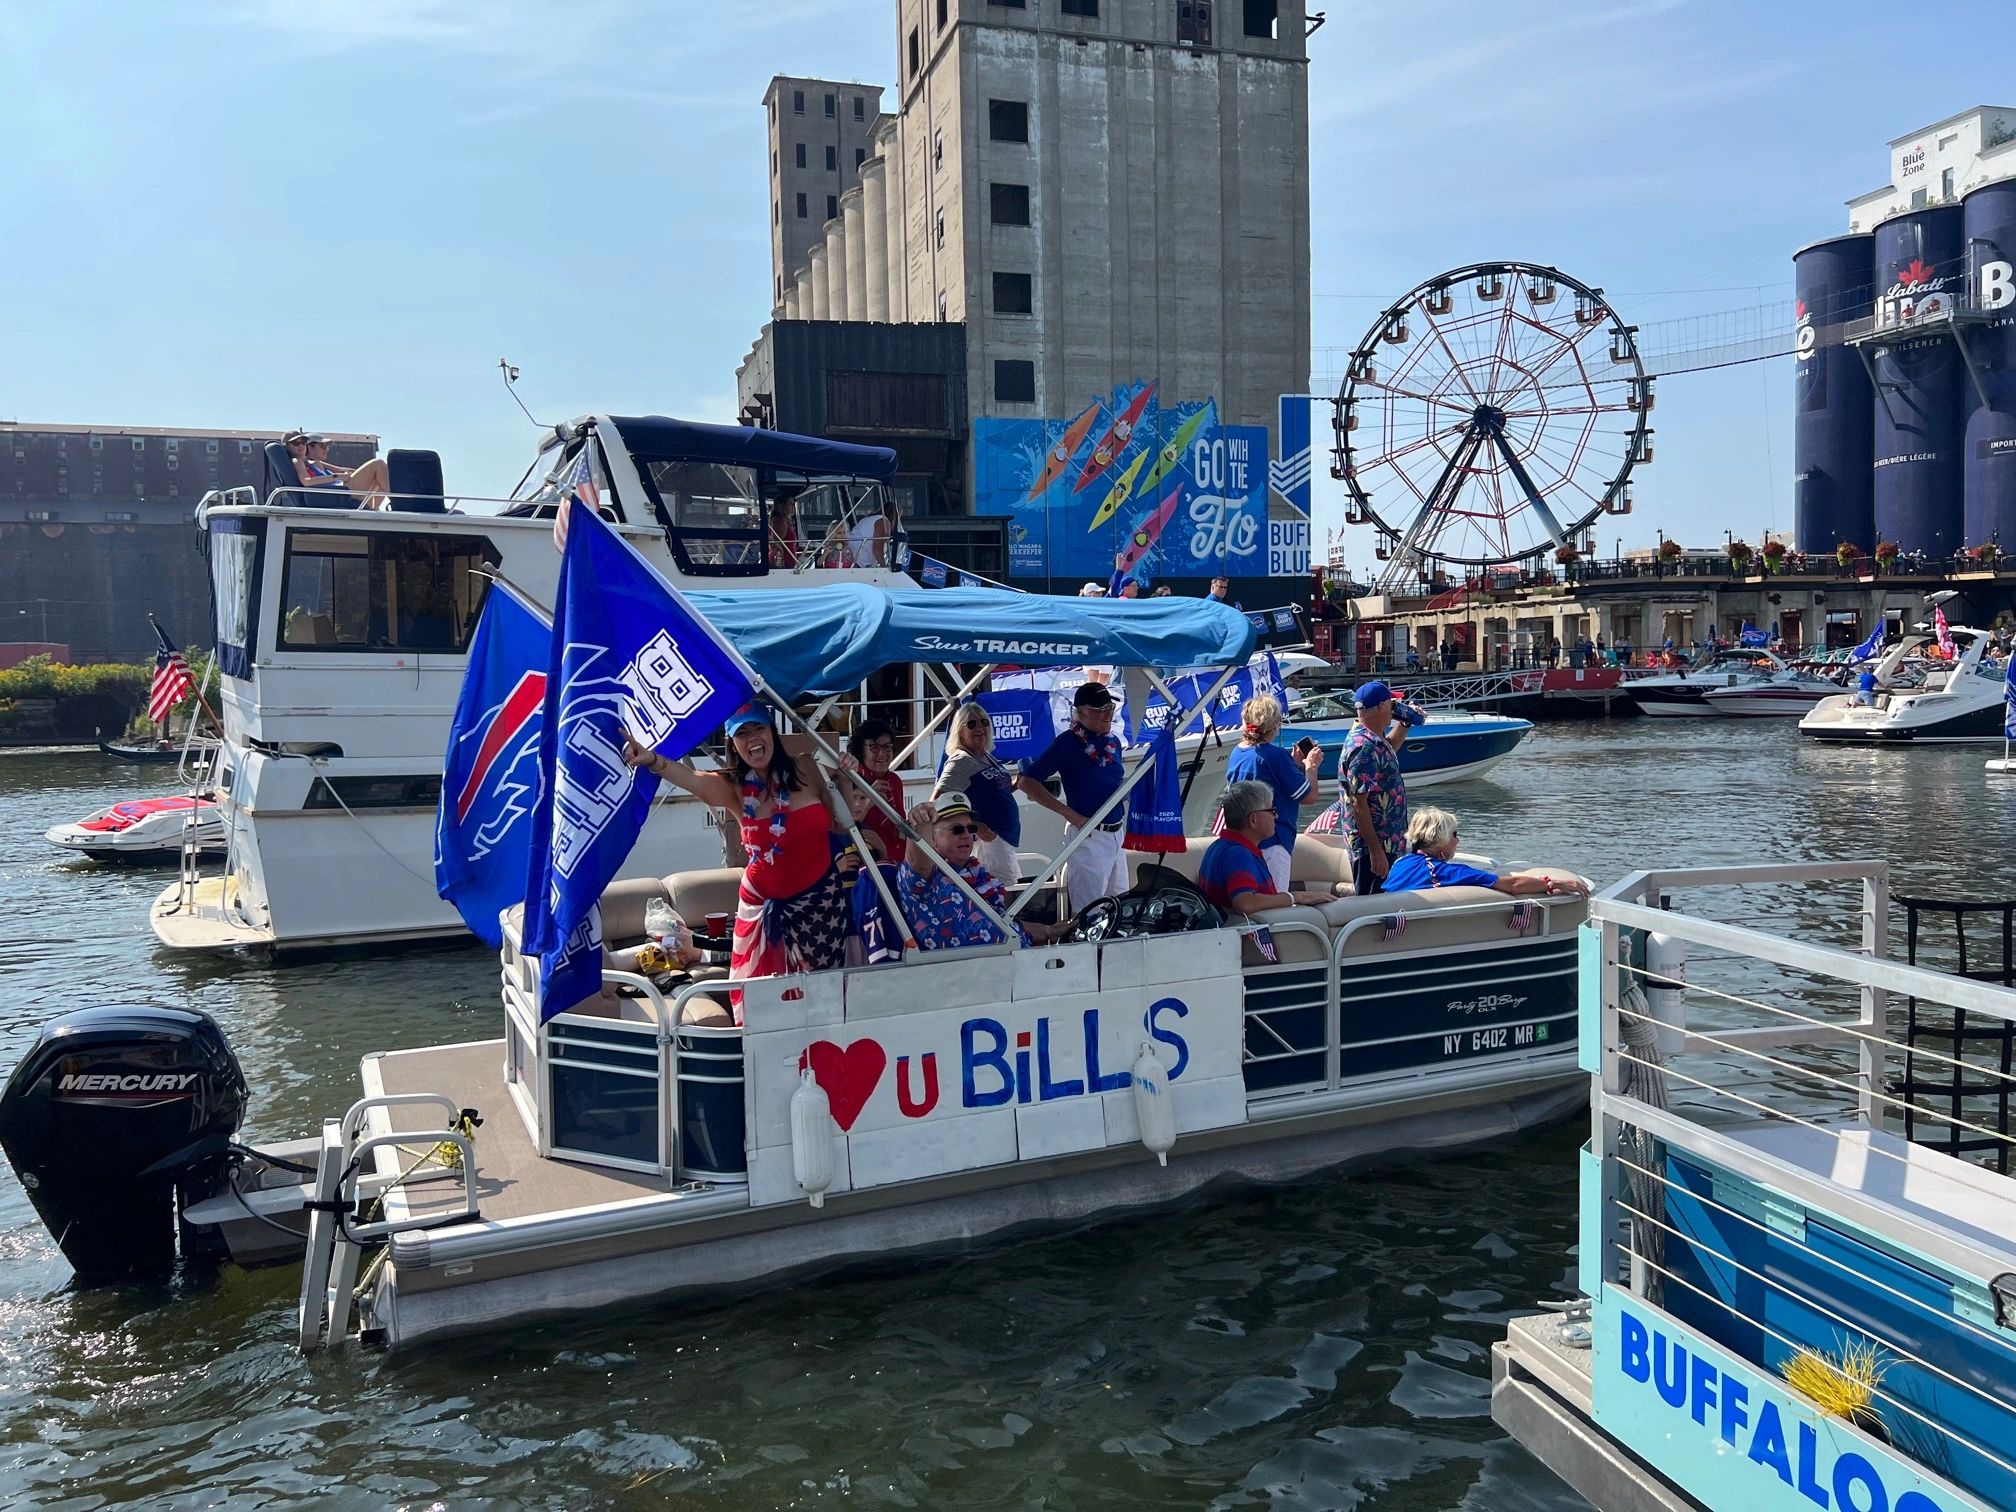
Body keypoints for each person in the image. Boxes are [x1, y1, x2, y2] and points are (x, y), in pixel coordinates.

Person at [623, 704, 845, 1012]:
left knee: (824, 1001)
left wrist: (848, 773)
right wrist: (652, 760)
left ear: (772, 732)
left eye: (758, 728)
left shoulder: (807, 768)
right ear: (732, 744)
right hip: (762, 911)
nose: (752, 737)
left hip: (821, 905)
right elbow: (694, 780)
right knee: (765, 1007)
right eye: (741, 733)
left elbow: (843, 822)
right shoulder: (735, 789)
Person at [1017, 680, 1130, 916]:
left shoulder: (1113, 743)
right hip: (1088, 834)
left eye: (1109, 709)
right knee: (1090, 911)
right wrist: (1070, 815)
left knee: (1119, 904)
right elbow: (1027, 781)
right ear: (1079, 713)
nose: (1106, 715)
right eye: (1099, 710)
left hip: (1116, 834)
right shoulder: (1067, 743)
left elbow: (1112, 783)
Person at [896, 794, 1062, 949]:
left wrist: (1051, 931)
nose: (967, 835)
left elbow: (1003, 923)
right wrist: (921, 821)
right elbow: (920, 861)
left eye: (971, 828)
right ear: (932, 836)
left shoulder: (974, 872)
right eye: (957, 830)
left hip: (1012, 960)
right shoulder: (927, 876)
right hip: (971, 970)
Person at [1224, 694, 1323, 892]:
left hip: (1246, 840)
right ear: (1275, 725)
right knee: (1274, 900)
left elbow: (1265, 780)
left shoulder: (1237, 753)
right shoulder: (1275, 756)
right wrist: (1311, 767)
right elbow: (1308, 797)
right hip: (1274, 840)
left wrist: (1293, 765)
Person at [1384, 807, 1589, 898]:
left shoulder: (1400, 864)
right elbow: (1513, 885)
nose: (1458, 841)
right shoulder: (1446, 872)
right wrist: (1556, 883)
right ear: (1441, 839)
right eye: (1454, 834)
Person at [1198, 781, 1332, 915]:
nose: (1276, 816)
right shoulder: (1239, 854)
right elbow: (1245, 903)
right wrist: (1295, 897)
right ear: (1253, 820)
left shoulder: (1218, 847)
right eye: (1272, 811)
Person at [1335, 679, 1410, 897]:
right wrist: (1376, 851)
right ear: (1381, 707)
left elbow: (1390, 749)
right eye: (1391, 705)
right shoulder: (1364, 746)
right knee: (1371, 904)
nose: (1393, 711)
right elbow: (1359, 803)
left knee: (1383, 902)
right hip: (1373, 848)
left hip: (1387, 843)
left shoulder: (1373, 739)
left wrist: (1405, 723)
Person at [933, 700, 1021, 883]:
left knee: (1008, 896)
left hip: (1002, 840)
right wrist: (975, 826)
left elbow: (991, 792)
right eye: (971, 724)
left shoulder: (985, 756)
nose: (979, 727)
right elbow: (936, 804)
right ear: (960, 731)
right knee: (1004, 898)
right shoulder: (960, 761)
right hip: (988, 843)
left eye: (984, 722)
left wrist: (1015, 783)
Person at [843, 719, 906, 862]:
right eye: (874, 748)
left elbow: (900, 826)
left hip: (897, 858)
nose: (882, 754)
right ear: (861, 750)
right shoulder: (851, 780)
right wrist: (869, 798)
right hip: (866, 859)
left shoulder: (895, 781)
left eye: (887, 747)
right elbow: (844, 826)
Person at [287, 432, 391, 509]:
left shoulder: (313, 463)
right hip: (339, 493)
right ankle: (398, 502)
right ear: (311, 447)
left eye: (303, 443)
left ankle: (373, 508)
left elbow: (342, 470)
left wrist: (358, 474)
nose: (326, 449)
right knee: (378, 464)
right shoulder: (297, 461)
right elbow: (306, 481)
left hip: (342, 489)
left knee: (382, 473)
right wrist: (336, 477)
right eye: (296, 444)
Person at [769, 488, 803, 569]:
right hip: (782, 563)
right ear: (782, 505)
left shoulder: (784, 520)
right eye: (790, 503)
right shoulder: (780, 520)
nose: (793, 506)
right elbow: (777, 542)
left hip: (787, 561)